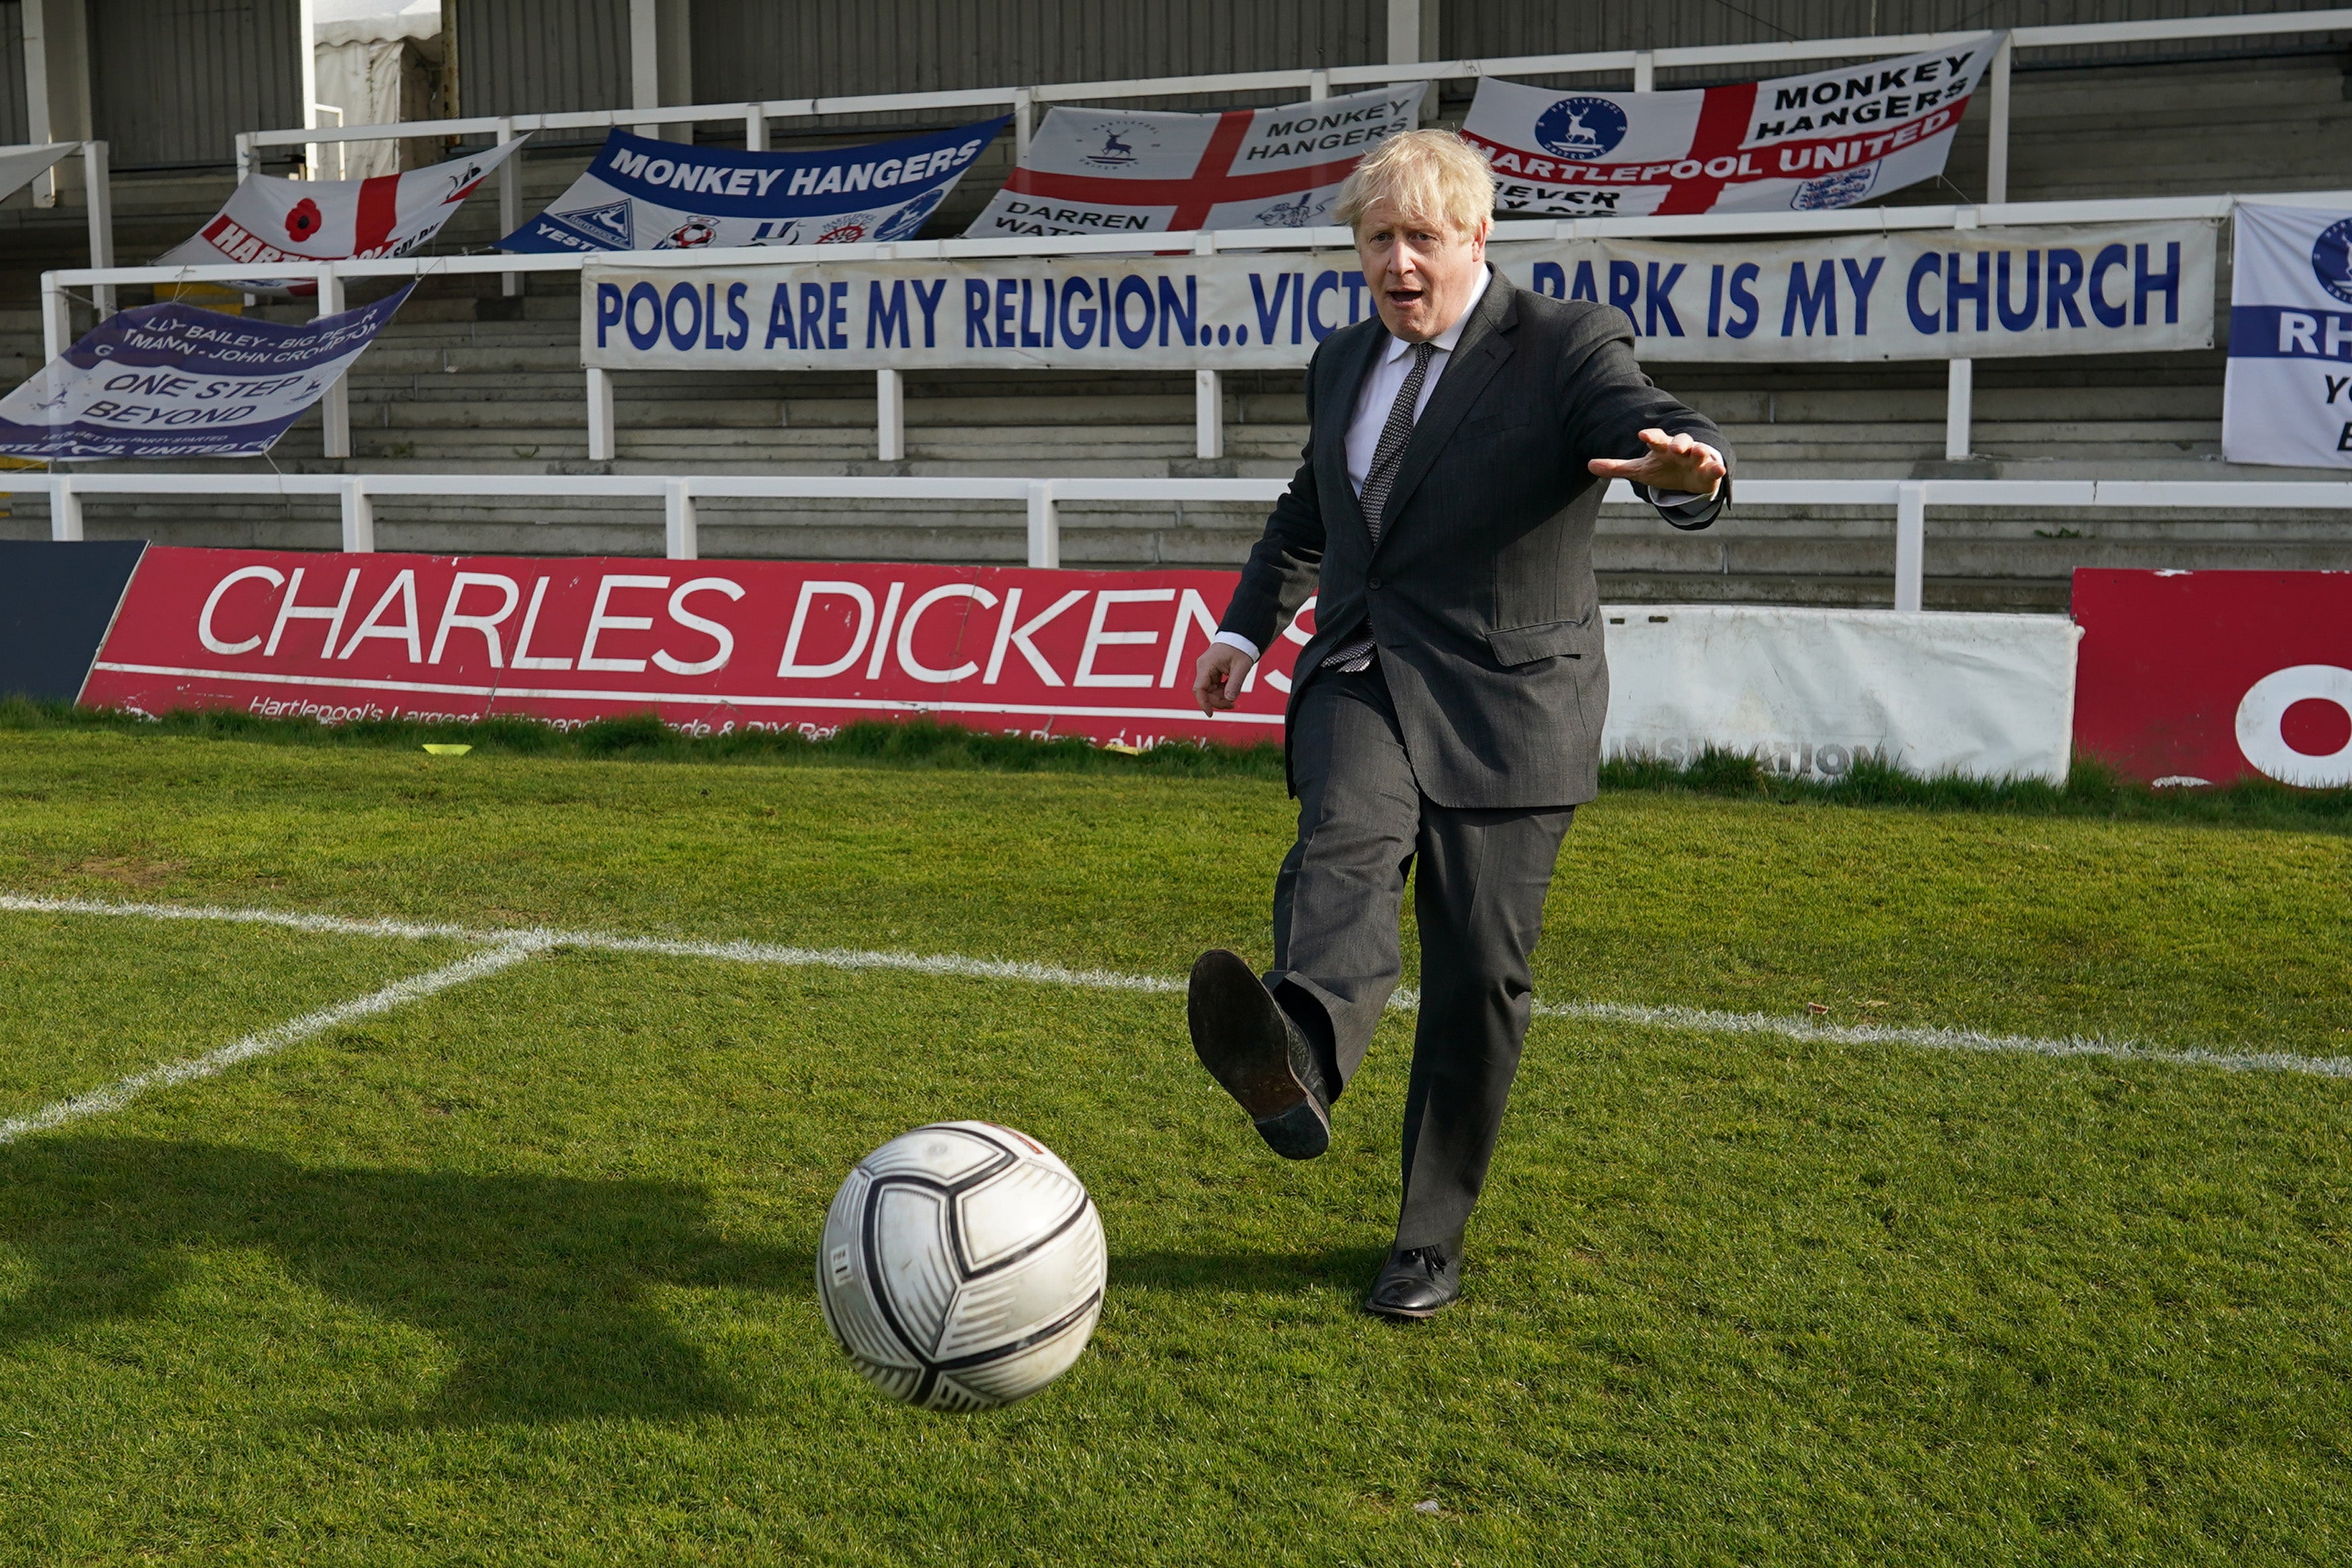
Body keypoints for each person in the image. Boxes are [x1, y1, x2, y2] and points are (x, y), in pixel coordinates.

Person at [1187, 129, 1731, 1320]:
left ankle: (1426, 1241)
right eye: (1377, 239)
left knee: (1480, 974)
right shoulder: (1342, 361)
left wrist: (1685, 466)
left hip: (1512, 702)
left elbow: (1640, 414)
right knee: (1343, 837)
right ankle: (1302, 1054)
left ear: (1478, 237)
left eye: (1422, 237)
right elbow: (1306, 512)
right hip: (1364, 670)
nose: (1399, 261)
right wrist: (1244, 629)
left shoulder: (1563, 343)